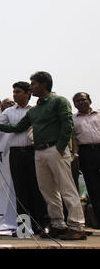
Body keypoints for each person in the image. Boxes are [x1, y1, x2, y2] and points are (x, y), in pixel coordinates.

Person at [0, 71, 86, 240]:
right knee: (48, 191)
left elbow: (67, 124)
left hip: (55, 149)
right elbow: (17, 128)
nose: (31, 87)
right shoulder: (35, 111)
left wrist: (61, 147)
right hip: (39, 152)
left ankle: (77, 226)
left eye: (33, 84)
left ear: (43, 84)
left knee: (66, 188)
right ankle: (58, 225)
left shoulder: (59, 101)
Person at [0, 81, 49, 234]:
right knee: (20, 191)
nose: (15, 95)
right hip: (16, 154)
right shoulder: (8, 112)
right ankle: (24, 228)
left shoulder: (36, 110)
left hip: (35, 152)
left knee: (37, 189)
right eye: (14, 92)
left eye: (18, 92)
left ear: (28, 93)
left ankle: (42, 225)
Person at [72, 92, 100, 228]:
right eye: (77, 101)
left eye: (83, 100)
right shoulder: (73, 119)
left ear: (89, 100)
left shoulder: (99, 114)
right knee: (93, 187)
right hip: (86, 153)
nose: (80, 103)